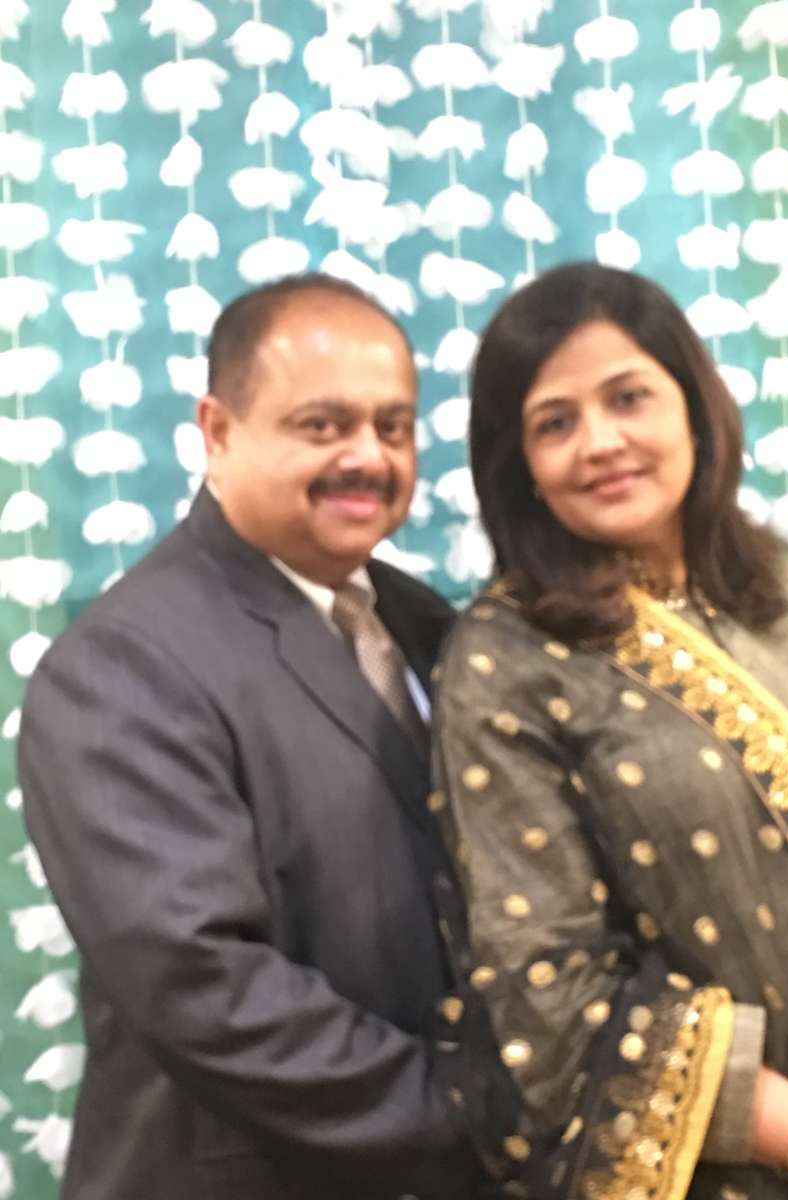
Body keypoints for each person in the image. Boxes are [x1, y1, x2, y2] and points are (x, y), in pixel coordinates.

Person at [429, 262, 788, 1200]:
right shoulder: (504, 659)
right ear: (519, 466)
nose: (599, 442)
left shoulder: (777, 590)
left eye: (628, 398)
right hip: (749, 1172)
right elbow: (551, 993)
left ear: (694, 407)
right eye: (554, 423)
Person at [18, 273, 479, 1200]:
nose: (368, 456)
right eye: (323, 425)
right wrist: (474, 1115)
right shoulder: (122, 663)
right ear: (217, 431)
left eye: (393, 427)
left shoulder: (428, 626)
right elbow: (202, 985)